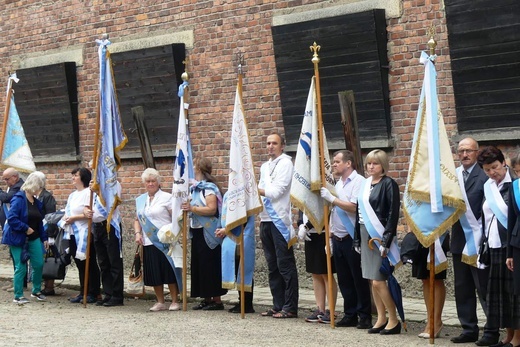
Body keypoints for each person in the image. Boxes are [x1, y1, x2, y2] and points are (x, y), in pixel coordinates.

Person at [450, 138, 500, 345]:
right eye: (461, 151)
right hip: (459, 240)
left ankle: (491, 331)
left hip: (480, 241)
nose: (464, 155)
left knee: (484, 288)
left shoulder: (484, 175)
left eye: (468, 151)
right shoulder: (452, 176)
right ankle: (468, 328)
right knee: (463, 288)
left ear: (476, 152)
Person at [319, 149, 369, 328]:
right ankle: (350, 314)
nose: (334, 164)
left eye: (337, 161)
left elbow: (354, 207)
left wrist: (332, 199)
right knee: (344, 279)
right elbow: (333, 212)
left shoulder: (359, 181)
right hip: (338, 237)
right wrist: (330, 235)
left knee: (358, 278)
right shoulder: (338, 183)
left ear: (348, 163)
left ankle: (364, 315)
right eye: (333, 161)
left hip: (352, 236)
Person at [354, 149, 401, 335]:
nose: (371, 166)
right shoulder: (365, 184)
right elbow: (358, 212)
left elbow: (392, 214)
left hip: (379, 235)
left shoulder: (389, 184)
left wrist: (387, 240)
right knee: (371, 278)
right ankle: (381, 318)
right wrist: (357, 238)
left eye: (375, 163)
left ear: (383, 166)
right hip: (365, 233)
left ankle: (393, 318)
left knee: (378, 281)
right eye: (368, 163)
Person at [478, 146, 519, 347]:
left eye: (495, 167)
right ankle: (508, 336)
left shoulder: (515, 184)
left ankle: (518, 338)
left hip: (510, 246)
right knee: (501, 294)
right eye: (487, 170)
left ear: (503, 162)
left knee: (514, 293)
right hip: (493, 245)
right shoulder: (488, 186)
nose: (492, 173)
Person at [258, 133, 299, 319]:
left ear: (282, 146)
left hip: (279, 220)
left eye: (274, 143)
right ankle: (278, 304)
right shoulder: (264, 166)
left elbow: (276, 192)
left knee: (285, 265)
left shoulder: (286, 163)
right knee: (272, 265)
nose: (270, 146)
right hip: (265, 220)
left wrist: (253, 188)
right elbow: (260, 192)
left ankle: (290, 306)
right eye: (268, 143)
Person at [181, 157, 227, 310]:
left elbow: (211, 209)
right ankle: (206, 298)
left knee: (210, 265)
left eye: (194, 166)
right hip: (197, 230)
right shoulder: (195, 188)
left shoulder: (209, 188)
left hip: (209, 231)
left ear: (199, 169)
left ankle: (217, 300)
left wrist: (192, 209)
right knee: (200, 265)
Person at [135, 168, 182, 312]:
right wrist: (138, 233)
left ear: (158, 182)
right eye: (148, 181)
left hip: (165, 241)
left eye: (153, 181)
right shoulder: (141, 200)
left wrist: (172, 232)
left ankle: (174, 300)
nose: (150, 184)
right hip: (149, 241)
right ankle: (160, 301)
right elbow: (137, 219)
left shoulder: (167, 198)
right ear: (144, 183)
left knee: (169, 271)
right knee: (154, 272)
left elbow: (176, 218)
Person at [1, 172, 48, 304]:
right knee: (21, 266)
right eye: (40, 187)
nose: (41, 189)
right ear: (35, 186)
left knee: (38, 263)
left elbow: (39, 222)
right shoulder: (18, 199)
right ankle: (18, 295)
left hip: (34, 238)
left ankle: (36, 290)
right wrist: (25, 228)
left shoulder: (37, 202)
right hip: (17, 238)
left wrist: (44, 238)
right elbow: (12, 219)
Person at [62, 168, 101, 304]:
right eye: (72, 175)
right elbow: (68, 210)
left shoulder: (88, 193)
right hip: (73, 232)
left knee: (89, 263)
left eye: (76, 175)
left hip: (84, 232)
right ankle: (82, 290)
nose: (73, 178)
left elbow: (88, 214)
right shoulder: (72, 195)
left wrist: (73, 218)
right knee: (79, 263)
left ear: (83, 177)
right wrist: (67, 218)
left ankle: (94, 292)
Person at [84, 177, 125, 307]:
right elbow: (86, 206)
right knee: (103, 262)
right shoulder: (93, 186)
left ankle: (117, 295)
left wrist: (98, 191)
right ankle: (108, 293)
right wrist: (86, 211)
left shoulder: (113, 184)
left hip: (109, 225)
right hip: (97, 227)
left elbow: (113, 203)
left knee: (114, 261)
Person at [216, 192, 256, 314]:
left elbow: (242, 218)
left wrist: (226, 230)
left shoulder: (245, 193)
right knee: (237, 268)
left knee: (242, 270)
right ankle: (241, 301)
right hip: (230, 237)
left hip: (241, 235)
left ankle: (246, 304)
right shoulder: (230, 192)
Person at [297, 211, 338, 323]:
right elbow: (302, 207)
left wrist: (307, 226)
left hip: (323, 232)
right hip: (310, 234)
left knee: (325, 273)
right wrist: (301, 223)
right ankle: (320, 309)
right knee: (315, 273)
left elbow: (323, 211)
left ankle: (331, 310)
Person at [413, 233, 449, 339]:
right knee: (425, 278)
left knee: (436, 278)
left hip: (437, 235)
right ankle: (430, 320)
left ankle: (436, 321)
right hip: (421, 233)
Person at [33, 171, 58, 296]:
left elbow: (51, 216)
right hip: (37, 232)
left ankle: (49, 286)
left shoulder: (47, 196)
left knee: (49, 257)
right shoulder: (35, 196)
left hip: (46, 231)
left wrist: (50, 235)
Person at [0, 168, 25, 292]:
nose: (5, 181)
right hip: (10, 226)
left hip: (15, 228)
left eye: (7, 179)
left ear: (15, 177)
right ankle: (18, 282)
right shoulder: (13, 186)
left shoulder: (18, 187)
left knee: (18, 258)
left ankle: (19, 284)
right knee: (15, 257)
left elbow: (5, 198)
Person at [507, 153, 520, 347]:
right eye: (517, 171)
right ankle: (517, 337)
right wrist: (509, 253)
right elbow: (511, 219)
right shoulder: (514, 187)